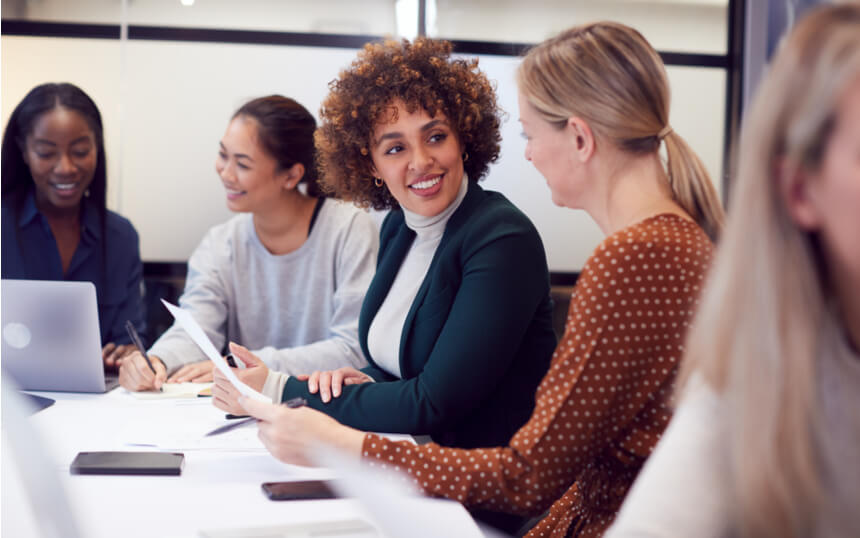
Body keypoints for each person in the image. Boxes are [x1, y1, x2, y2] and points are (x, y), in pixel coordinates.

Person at [234, 22, 724, 537]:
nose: (529, 154)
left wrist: (343, 444)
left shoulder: (633, 260)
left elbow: (528, 476)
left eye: (531, 134)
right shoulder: (664, 246)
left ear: (579, 137)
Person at [213, 38, 558, 452]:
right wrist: (356, 378)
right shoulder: (399, 226)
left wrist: (280, 387)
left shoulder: (501, 239)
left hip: (480, 490)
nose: (420, 161)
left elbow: (433, 402)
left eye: (435, 137)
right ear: (371, 164)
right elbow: (401, 368)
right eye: (395, 148)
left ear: (463, 138)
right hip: (408, 461)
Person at [606, 6, 860, 537]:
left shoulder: (641, 249)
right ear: (799, 192)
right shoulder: (751, 402)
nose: (531, 153)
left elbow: (532, 465)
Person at [118, 96, 378, 392]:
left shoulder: (349, 229)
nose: (225, 173)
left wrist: (242, 365)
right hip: (242, 410)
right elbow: (196, 328)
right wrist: (156, 361)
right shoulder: (219, 243)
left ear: (292, 175)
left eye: (242, 163)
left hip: (324, 407)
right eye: (223, 155)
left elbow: (353, 348)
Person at [1, 82, 144, 367]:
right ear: (23, 151)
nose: (65, 167)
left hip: (98, 403)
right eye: (46, 153)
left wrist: (131, 356)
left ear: (97, 148)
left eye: (80, 151)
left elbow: (131, 340)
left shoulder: (120, 237)